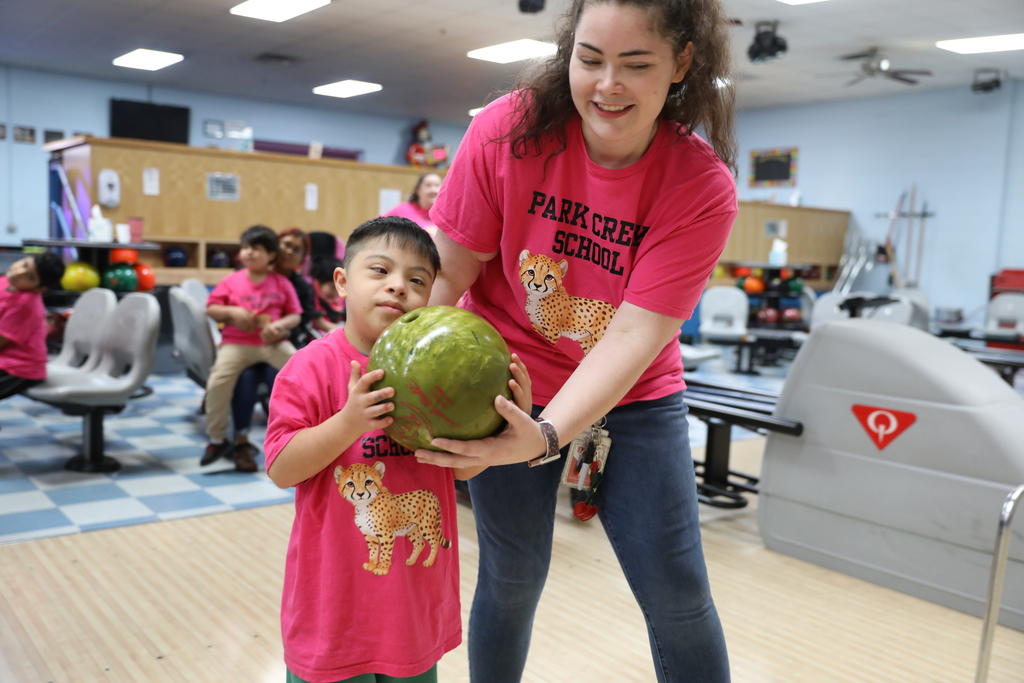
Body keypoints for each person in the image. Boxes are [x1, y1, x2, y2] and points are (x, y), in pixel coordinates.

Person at [414, 1, 738, 681]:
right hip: (505, 387)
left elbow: (632, 337)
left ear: (682, 63)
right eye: (590, 59)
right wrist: (387, 382)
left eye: (636, 64)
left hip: (635, 393)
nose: (606, 85)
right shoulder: (509, 130)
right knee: (511, 576)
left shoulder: (700, 186)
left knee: (676, 591)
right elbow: (448, 276)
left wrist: (550, 431)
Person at [263, 216, 532, 683]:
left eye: (416, 280)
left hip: (411, 607)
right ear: (342, 282)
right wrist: (349, 421)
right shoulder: (308, 368)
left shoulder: (444, 372)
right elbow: (283, 470)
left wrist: (501, 433)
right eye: (380, 271)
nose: (397, 287)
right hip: (334, 608)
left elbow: (461, 473)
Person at [201, 225, 302, 471]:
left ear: (271, 255)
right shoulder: (231, 281)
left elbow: (295, 315)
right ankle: (216, 439)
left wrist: (278, 325)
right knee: (217, 382)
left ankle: (310, 430)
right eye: (245, 248)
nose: (248, 253)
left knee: (301, 369)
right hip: (237, 344)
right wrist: (232, 311)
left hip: (272, 343)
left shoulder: (281, 283)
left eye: (255, 249)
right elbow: (211, 308)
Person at [0, 253, 65, 399]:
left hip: (19, 368)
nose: (18, 272)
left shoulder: (25, 304)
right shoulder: (5, 281)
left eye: (30, 277)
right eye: (24, 264)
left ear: (40, 289)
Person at [310, 257, 345, 331]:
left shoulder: (341, 299)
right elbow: (321, 324)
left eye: (340, 287)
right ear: (319, 283)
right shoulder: (313, 298)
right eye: (332, 287)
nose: (336, 291)